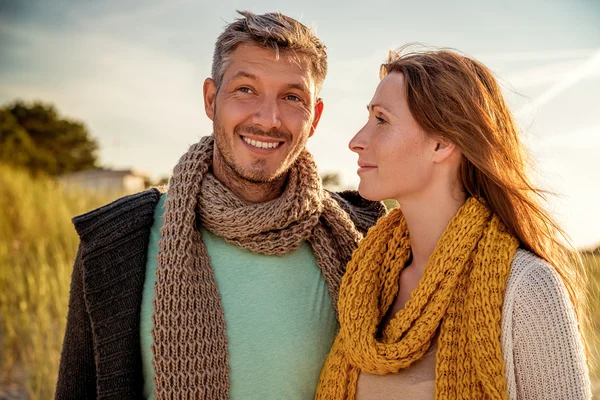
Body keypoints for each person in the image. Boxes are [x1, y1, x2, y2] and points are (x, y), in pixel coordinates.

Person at [55, 11, 386, 400]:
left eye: (292, 97)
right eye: (245, 90)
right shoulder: (118, 240)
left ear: (314, 117)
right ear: (212, 99)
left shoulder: (362, 238)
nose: (268, 119)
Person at [316, 47, 591, 400]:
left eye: (381, 120)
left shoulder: (526, 288)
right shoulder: (366, 281)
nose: (357, 141)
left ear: (442, 143)